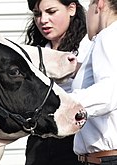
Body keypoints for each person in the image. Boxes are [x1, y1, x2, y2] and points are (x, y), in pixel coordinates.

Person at [24, 0, 90, 165]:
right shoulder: (36, 51)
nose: (43, 20)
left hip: (77, 141)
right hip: (39, 141)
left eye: (51, 12)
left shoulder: (89, 47)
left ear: (72, 9)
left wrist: (72, 68)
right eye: (37, 14)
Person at [69, 0, 117, 164]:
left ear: (100, 4)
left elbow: (108, 92)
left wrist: (62, 103)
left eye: (88, 6)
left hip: (106, 158)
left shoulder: (108, 35)